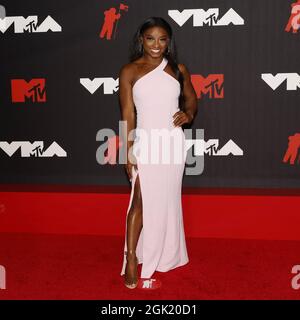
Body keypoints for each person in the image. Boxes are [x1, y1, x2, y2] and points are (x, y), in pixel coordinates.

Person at [118, 17, 197, 289]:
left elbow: (191, 99)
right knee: (139, 200)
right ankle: (131, 259)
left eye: (162, 39)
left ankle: (164, 254)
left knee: (166, 199)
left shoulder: (178, 69)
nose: (156, 45)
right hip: (146, 141)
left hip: (172, 144)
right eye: (150, 38)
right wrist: (128, 151)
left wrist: (187, 114)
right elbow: (127, 114)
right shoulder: (130, 71)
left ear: (169, 42)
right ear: (141, 39)